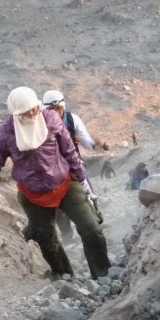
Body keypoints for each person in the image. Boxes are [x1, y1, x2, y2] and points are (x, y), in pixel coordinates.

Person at [0, 86, 110, 279]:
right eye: (27, 111)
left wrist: (83, 179)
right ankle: (64, 275)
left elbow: (69, 151)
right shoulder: (6, 132)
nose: (34, 113)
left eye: (35, 108)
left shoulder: (50, 119)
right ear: (17, 113)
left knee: (91, 228)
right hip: (33, 194)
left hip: (65, 183)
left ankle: (102, 275)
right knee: (45, 237)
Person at [42, 89, 108, 238]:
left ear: (63, 107)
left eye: (58, 108)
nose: (55, 112)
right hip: (51, 172)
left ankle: (97, 225)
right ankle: (67, 236)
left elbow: (85, 140)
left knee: (89, 195)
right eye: (51, 109)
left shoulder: (72, 119)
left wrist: (95, 144)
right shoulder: (39, 123)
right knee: (57, 206)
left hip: (74, 166)